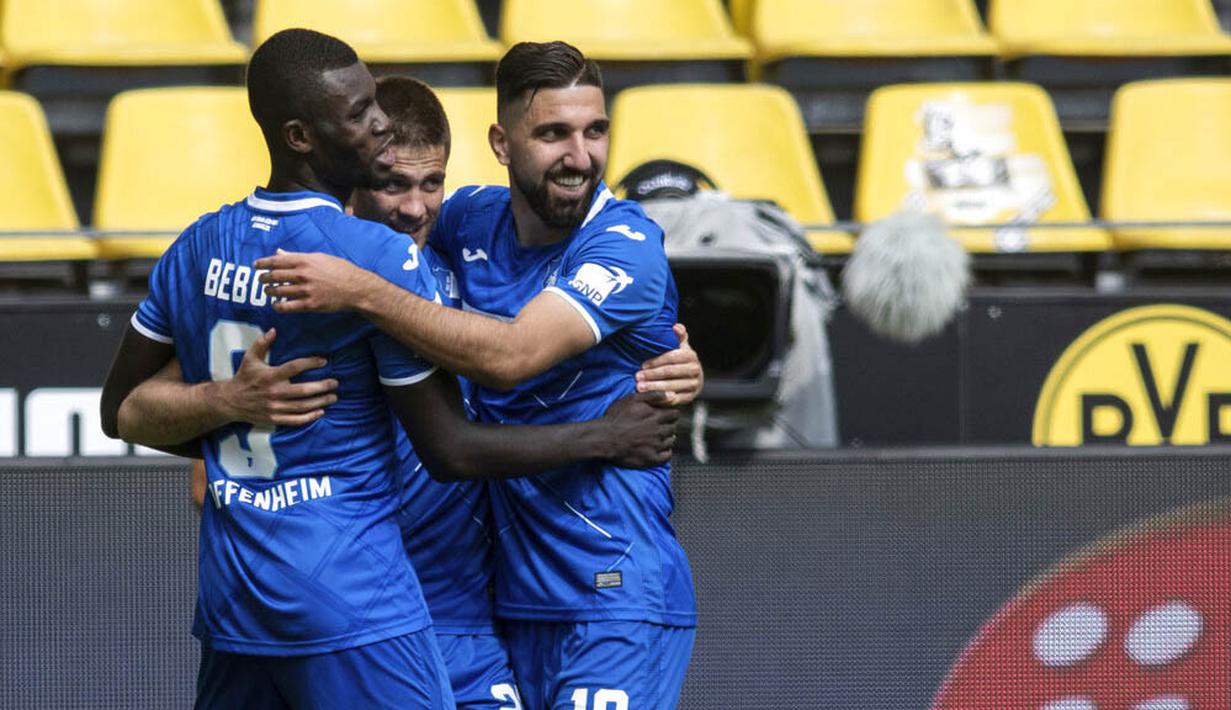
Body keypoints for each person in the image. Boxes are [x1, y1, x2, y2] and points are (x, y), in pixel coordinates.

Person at [100, 30, 677, 709]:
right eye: (359, 117)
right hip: (356, 594)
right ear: (300, 135)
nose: (413, 203)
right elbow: (453, 443)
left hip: (247, 596)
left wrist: (659, 347)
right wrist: (606, 436)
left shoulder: (199, 243)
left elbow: (125, 411)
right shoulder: (377, 259)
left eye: (430, 183)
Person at [254, 41, 697, 708]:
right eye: (552, 133)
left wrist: (361, 290)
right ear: (501, 142)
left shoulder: (625, 246)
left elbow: (511, 356)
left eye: (594, 131)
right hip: (506, 598)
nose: (579, 156)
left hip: (612, 589)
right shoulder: (463, 220)